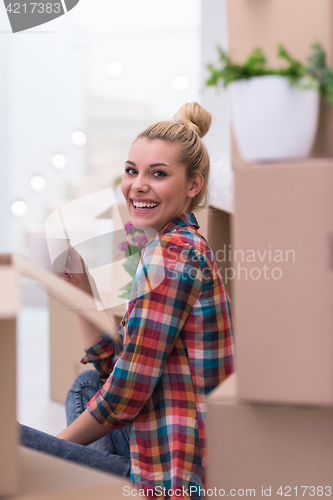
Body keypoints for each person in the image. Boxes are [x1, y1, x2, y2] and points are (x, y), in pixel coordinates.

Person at [20, 102, 235, 499]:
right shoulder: (174, 244)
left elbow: (122, 397)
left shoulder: (172, 257)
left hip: (171, 476)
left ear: (193, 185)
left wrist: (53, 455)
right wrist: (81, 289)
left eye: (158, 174)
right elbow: (115, 365)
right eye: (132, 170)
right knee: (86, 385)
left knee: (12, 444)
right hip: (159, 441)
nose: (137, 185)